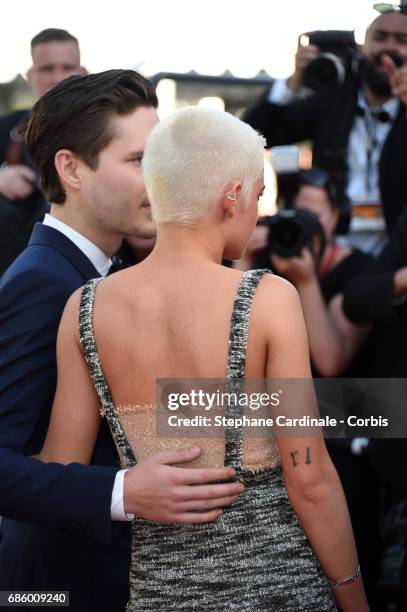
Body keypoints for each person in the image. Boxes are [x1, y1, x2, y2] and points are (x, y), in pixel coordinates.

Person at [37, 106, 369, 611]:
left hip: (157, 594)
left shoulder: (83, 309)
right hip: (277, 587)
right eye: (257, 195)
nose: (258, 211)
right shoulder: (268, 298)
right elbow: (310, 478)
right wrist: (353, 594)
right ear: (231, 196)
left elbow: (60, 469)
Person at [0, 72, 244, 611]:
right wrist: (122, 491)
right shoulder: (43, 282)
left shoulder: (106, 272)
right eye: (138, 161)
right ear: (71, 169)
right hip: (49, 589)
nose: (160, 179)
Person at [243, 5, 407, 255]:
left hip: (396, 252)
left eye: (402, 40)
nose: (389, 49)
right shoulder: (332, 99)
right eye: (380, 37)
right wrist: (293, 82)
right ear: (363, 47)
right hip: (330, 246)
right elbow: (255, 135)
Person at [0, 28, 87, 276]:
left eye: (66, 67)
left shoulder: (109, 133)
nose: (56, 78)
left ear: (82, 73)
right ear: (30, 74)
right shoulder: (9, 129)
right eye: (47, 69)